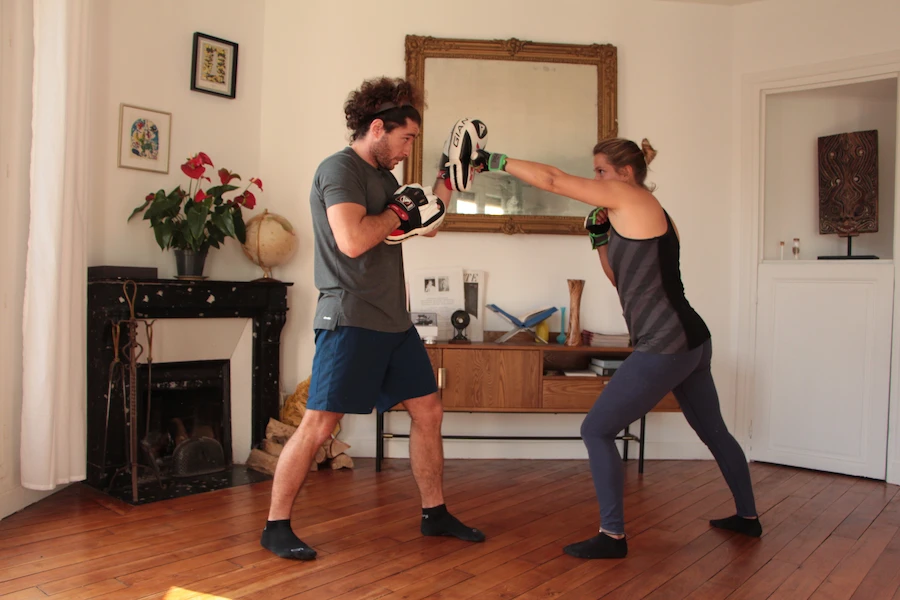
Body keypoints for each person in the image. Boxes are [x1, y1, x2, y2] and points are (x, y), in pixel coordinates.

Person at [474, 139, 761, 559]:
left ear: (625, 174)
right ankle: (748, 518)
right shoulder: (644, 210)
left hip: (667, 343)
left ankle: (612, 537)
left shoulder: (630, 197)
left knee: (596, 429)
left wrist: (494, 161)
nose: (596, 180)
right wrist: (599, 238)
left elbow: (553, 179)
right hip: (689, 341)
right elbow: (619, 279)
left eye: (601, 171)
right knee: (712, 430)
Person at [260, 77, 485, 560]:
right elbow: (353, 240)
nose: (408, 150)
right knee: (320, 424)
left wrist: (449, 176)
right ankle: (276, 526)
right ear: (378, 127)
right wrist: (399, 210)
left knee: (428, 411)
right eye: (405, 139)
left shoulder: (385, 180)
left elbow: (427, 226)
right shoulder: (339, 170)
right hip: (351, 316)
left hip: (393, 321)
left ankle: (435, 513)